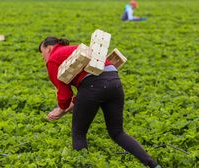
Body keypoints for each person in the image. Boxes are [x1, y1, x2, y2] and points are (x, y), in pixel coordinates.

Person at [38, 37, 161, 168]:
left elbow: (65, 94)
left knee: (79, 133)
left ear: (49, 48)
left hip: (92, 86)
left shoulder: (53, 59)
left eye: (42, 54)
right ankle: (153, 165)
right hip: (114, 81)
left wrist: (61, 109)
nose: (43, 59)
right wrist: (71, 104)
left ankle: (83, 165)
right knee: (117, 132)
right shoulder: (75, 49)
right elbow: (82, 90)